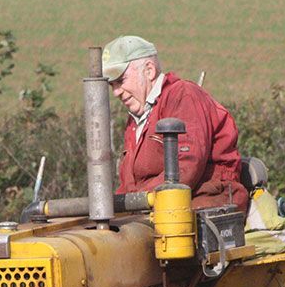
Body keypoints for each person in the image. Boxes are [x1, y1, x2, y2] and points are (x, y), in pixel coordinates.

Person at [102, 35, 249, 213]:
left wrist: (137, 203)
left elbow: (186, 168)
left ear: (149, 70)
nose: (116, 92)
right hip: (156, 208)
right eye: (112, 85)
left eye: (121, 81)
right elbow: (129, 184)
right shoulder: (136, 121)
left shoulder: (183, 96)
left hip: (207, 202)